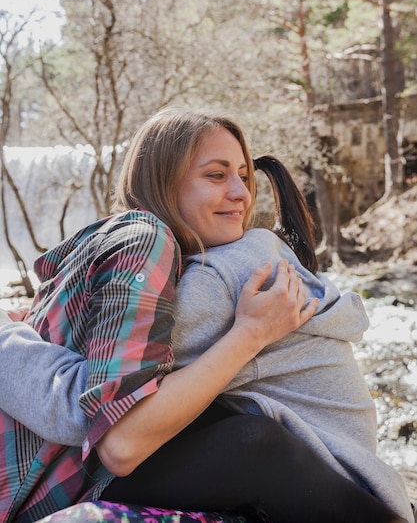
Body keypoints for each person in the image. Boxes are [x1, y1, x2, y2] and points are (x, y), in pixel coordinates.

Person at [0, 108, 411, 523]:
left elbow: (108, 420)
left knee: (251, 441)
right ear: (163, 180)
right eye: (217, 176)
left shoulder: (221, 276)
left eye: (244, 176)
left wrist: (9, 337)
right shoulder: (162, 250)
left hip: (333, 474)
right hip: (346, 471)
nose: (242, 194)